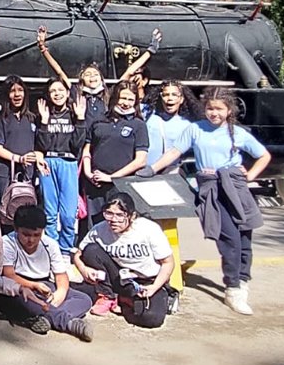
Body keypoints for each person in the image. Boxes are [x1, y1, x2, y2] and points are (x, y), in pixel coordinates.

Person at [145, 87, 270, 315]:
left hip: (235, 186)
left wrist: (250, 176)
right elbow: (174, 152)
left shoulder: (237, 133)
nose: (214, 113)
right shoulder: (195, 129)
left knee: (244, 237)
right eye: (210, 108)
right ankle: (232, 288)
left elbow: (263, 155)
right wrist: (152, 168)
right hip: (211, 187)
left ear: (229, 110)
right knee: (229, 238)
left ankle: (243, 282)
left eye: (219, 109)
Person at [71, 192, 174, 328]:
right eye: (108, 213)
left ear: (132, 216)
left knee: (151, 319)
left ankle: (125, 300)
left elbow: (168, 262)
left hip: (148, 281)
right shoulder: (100, 229)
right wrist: (83, 269)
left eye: (120, 215)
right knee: (91, 250)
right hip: (120, 277)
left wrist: (154, 287)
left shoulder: (148, 229)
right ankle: (109, 296)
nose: (113, 220)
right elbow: (78, 253)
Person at [1, 205, 94, 341]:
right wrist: (33, 285)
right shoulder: (7, 243)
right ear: (16, 229)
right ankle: (68, 323)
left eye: (36, 235)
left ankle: (44, 317)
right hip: (20, 286)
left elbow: (61, 275)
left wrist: (60, 293)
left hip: (45, 286)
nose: (31, 240)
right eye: (26, 234)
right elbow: (8, 274)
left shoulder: (50, 244)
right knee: (20, 299)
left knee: (84, 299)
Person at [34, 78, 87, 256]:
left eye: (60, 90)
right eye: (53, 91)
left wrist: (80, 119)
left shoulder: (73, 114)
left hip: (68, 162)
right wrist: (44, 121)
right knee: (49, 211)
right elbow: (42, 144)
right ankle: (51, 248)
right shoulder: (44, 114)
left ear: (66, 92)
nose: (57, 94)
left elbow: (77, 144)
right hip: (48, 161)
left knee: (68, 213)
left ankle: (65, 249)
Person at [82, 82, 149, 222]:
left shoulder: (139, 125)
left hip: (121, 184)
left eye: (130, 99)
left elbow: (141, 160)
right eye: (123, 98)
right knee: (94, 224)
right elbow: (87, 150)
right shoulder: (99, 120)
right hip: (96, 183)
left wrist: (112, 177)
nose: (126, 103)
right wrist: (88, 173)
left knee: (119, 223)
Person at [0, 75, 37, 204]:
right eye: (12, 91)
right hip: (6, 173)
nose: (17, 94)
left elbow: (39, 146)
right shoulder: (1, 118)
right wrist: (19, 158)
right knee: (7, 212)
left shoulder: (32, 118)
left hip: (28, 173)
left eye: (20, 90)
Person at [144, 80, 198, 170]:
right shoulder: (148, 115)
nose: (170, 98)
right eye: (166, 95)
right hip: (144, 171)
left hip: (170, 174)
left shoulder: (188, 125)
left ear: (181, 99)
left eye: (174, 95)